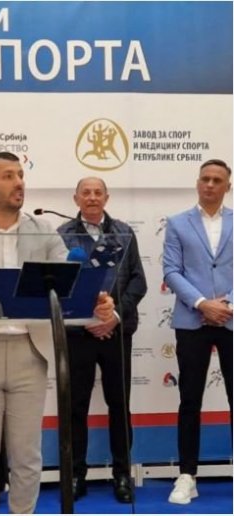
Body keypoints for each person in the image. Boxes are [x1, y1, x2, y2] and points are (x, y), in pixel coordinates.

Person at [0, 152, 116, 514]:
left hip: (29, 354)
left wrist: (95, 300)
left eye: (20, 174)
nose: (19, 182)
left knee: (27, 456)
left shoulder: (44, 230)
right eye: (8, 176)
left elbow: (67, 279)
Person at [57, 177, 147, 503]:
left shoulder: (123, 232)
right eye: (86, 193)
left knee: (119, 405)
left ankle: (122, 474)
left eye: (98, 193)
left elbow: (138, 281)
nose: (92, 197)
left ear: (106, 198)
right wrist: (89, 318)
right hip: (78, 333)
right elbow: (58, 284)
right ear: (76, 198)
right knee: (75, 406)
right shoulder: (62, 235)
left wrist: (114, 316)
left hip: (116, 333)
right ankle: (75, 475)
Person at [163, 159, 232, 505]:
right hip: (192, 320)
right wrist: (203, 303)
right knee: (189, 400)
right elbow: (171, 271)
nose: (210, 184)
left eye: (217, 180)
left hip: (231, 319)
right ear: (197, 183)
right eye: (205, 178)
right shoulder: (177, 223)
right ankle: (187, 475)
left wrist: (226, 304)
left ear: (227, 187)